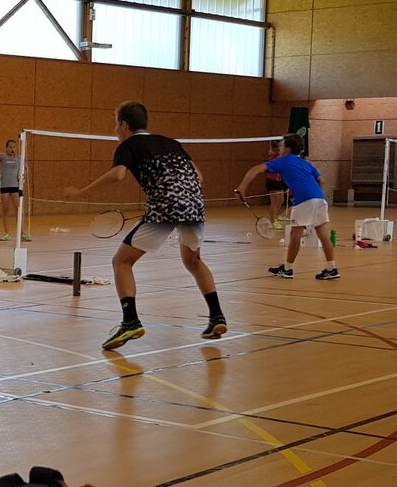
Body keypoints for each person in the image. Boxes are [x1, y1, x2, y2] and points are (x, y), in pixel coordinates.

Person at [65, 101, 226, 350]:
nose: (115, 130)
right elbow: (199, 176)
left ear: (124, 125)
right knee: (193, 260)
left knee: (122, 261)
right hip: (194, 206)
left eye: (115, 124)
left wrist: (81, 192)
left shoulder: (128, 145)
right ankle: (217, 317)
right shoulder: (172, 143)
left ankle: (130, 321)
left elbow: (118, 175)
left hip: (165, 208)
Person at [238, 134, 338, 281]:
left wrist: (242, 188)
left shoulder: (282, 161)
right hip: (320, 198)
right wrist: (315, 196)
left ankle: (288, 269)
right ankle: (331, 268)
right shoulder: (306, 163)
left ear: (288, 148)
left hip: (304, 200)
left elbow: (255, 170)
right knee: (322, 233)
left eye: (282, 145)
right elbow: (322, 181)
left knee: (295, 234)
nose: (280, 148)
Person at [0, 138, 30, 242]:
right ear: (6, 148)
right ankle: (7, 233)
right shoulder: (2, 156)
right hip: (4, 186)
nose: (12, 149)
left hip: (15, 186)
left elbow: (26, 169)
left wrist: (22, 176)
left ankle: (22, 233)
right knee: (5, 209)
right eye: (10, 147)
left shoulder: (19, 158)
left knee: (18, 209)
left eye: (14, 147)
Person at [263, 140, 288, 228]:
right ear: (276, 147)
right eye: (280, 145)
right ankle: (273, 221)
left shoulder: (281, 156)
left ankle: (275, 217)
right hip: (272, 181)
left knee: (281, 200)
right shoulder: (273, 156)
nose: (282, 147)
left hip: (278, 180)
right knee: (274, 202)